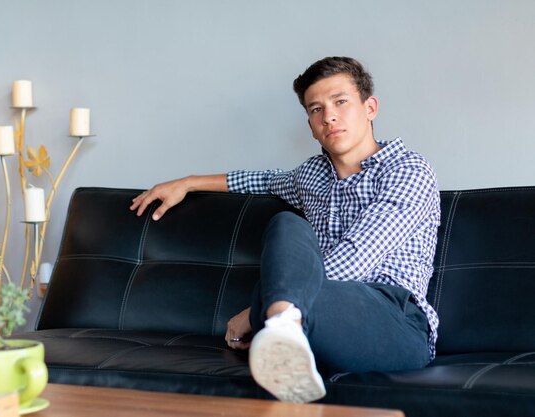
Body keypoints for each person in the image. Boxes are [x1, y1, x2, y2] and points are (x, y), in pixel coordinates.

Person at [130, 56, 441, 404]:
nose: (329, 116)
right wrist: (187, 183)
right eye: (316, 109)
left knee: (279, 300)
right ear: (309, 123)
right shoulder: (310, 176)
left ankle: (280, 326)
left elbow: (357, 258)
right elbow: (262, 180)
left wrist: (255, 311)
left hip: (393, 319)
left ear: (370, 107)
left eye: (340, 102)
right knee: (286, 224)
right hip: (311, 313)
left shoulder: (408, 171)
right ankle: (284, 332)